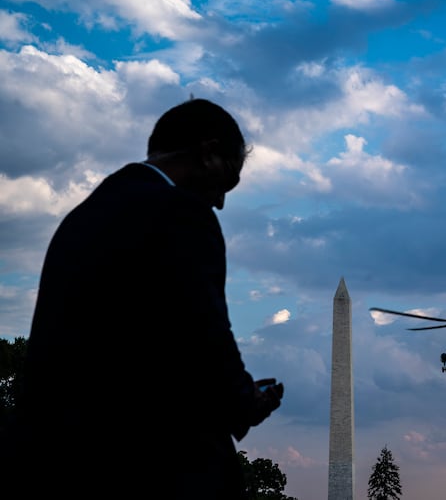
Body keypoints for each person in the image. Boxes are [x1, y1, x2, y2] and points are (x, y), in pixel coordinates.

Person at [6, 98, 283, 499]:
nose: (221, 201)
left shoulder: (82, 217)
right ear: (207, 153)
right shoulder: (181, 212)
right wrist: (244, 401)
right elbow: (204, 333)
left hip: (55, 463)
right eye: (228, 180)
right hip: (150, 465)